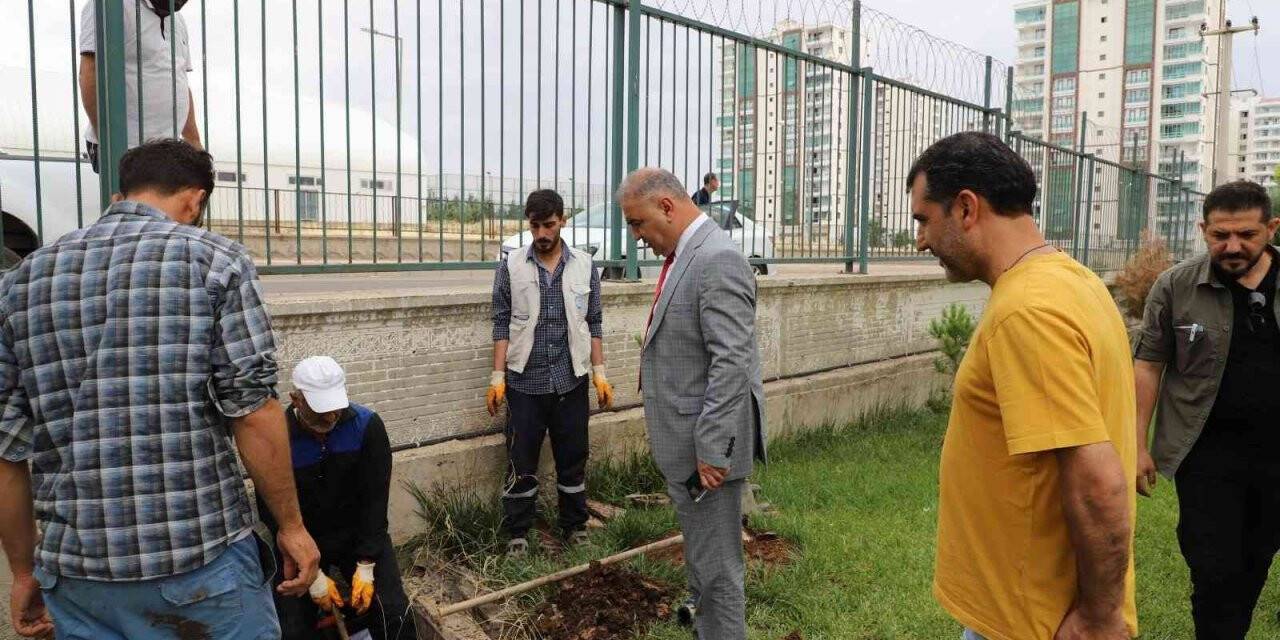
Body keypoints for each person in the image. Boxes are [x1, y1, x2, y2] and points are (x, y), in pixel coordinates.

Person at [0, 139, 319, 638]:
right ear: (194, 200)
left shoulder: (21, 281)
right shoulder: (215, 261)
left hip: (79, 579)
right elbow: (253, 411)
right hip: (198, 565)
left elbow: (6, 451)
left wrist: (22, 572)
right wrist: (292, 527)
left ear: (119, 194)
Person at [915, 132, 1137, 640]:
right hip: (1030, 608)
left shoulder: (1028, 311)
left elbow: (1097, 483)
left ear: (966, 208)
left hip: (1035, 619)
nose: (921, 240)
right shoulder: (1071, 279)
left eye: (924, 220)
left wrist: (1100, 621)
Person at [618, 167, 767, 640]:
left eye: (638, 223)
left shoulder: (716, 259)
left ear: (666, 206)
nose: (637, 237)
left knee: (718, 571)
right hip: (691, 450)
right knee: (704, 564)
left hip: (707, 457)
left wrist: (712, 449)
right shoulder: (689, 255)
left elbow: (732, 362)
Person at [1134, 181, 1280, 639]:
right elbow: (1148, 365)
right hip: (1207, 458)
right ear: (1203, 230)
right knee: (1214, 573)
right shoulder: (1177, 286)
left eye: (1247, 235)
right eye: (1220, 235)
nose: (1232, 246)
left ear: (1271, 228)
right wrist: (1136, 444)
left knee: (1255, 560)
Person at [487, 189, 614, 556]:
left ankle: (574, 526)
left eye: (549, 225)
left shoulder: (585, 266)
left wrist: (599, 373)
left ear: (563, 220)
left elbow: (594, 322)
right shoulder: (510, 266)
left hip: (570, 379)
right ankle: (518, 533)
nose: (542, 234)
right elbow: (500, 323)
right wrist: (498, 378)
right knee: (521, 460)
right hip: (525, 381)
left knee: (573, 458)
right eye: (535, 226)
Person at [262, 356, 417, 640]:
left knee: (393, 612)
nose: (331, 417)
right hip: (301, 539)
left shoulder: (367, 426)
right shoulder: (277, 438)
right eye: (321, 411)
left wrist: (367, 564)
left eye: (335, 409)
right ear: (296, 400)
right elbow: (270, 510)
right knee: (291, 629)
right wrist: (314, 577)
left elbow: (375, 500)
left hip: (357, 534)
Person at [79, 0, 203, 173]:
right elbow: (90, 71)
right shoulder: (111, 7)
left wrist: (193, 139)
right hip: (125, 146)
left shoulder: (178, 19)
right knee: (134, 200)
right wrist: (108, 139)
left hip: (166, 147)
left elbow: (178, 77)